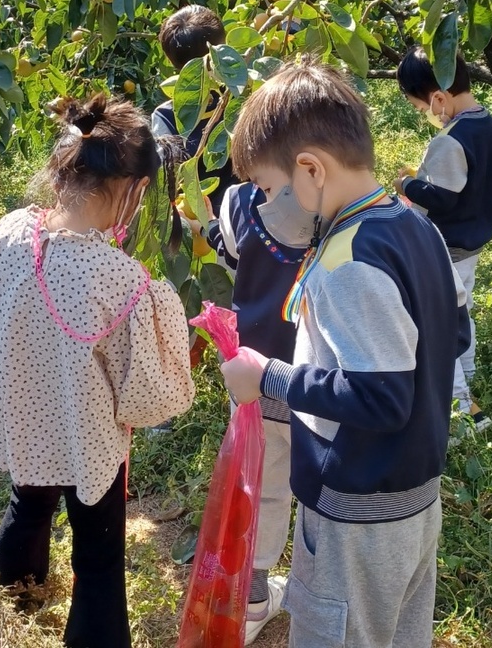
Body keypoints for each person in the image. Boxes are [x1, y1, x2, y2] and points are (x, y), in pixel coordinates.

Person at [219, 63, 468, 648]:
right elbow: (452, 334)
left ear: (310, 169)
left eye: (264, 187)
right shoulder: (413, 224)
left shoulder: (346, 259)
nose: (259, 204)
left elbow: (381, 396)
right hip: (414, 501)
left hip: (354, 514)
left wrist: (268, 375)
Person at [0, 95, 196, 648]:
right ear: (135, 190)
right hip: (87, 440)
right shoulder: (120, 280)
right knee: (97, 553)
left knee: (29, 501)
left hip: (19, 419)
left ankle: (10, 596)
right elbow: (147, 397)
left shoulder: (8, 234)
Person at [201, 181, 307, 644]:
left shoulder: (239, 200)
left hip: (253, 370)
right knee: (315, 490)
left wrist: (200, 224)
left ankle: (255, 597)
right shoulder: (334, 204)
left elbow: (227, 256)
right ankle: (310, 591)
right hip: (316, 380)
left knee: (262, 484)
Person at [394, 47, 492, 432]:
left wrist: (408, 184)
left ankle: (462, 412)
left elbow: (442, 197)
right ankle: (469, 371)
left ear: (439, 98)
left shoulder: (450, 140)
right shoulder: (490, 125)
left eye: (419, 106)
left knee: (437, 325)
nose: (423, 113)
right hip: (471, 245)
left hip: (444, 246)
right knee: (463, 310)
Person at [153, 5, 238, 211]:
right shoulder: (242, 97)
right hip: (249, 219)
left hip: (201, 224)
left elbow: (165, 182)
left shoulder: (166, 116)